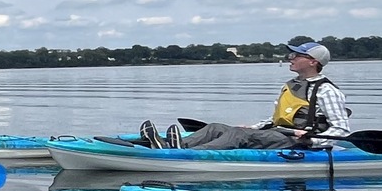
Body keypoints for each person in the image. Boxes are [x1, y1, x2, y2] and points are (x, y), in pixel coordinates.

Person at [134, 39, 350, 149]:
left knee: (238, 136)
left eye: (297, 55)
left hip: (298, 141)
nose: (291, 58)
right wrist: (255, 127)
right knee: (217, 128)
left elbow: (340, 128)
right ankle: (172, 145)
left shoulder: (326, 90)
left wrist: (314, 141)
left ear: (313, 62)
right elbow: (277, 119)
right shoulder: (293, 85)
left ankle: (183, 153)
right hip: (280, 133)